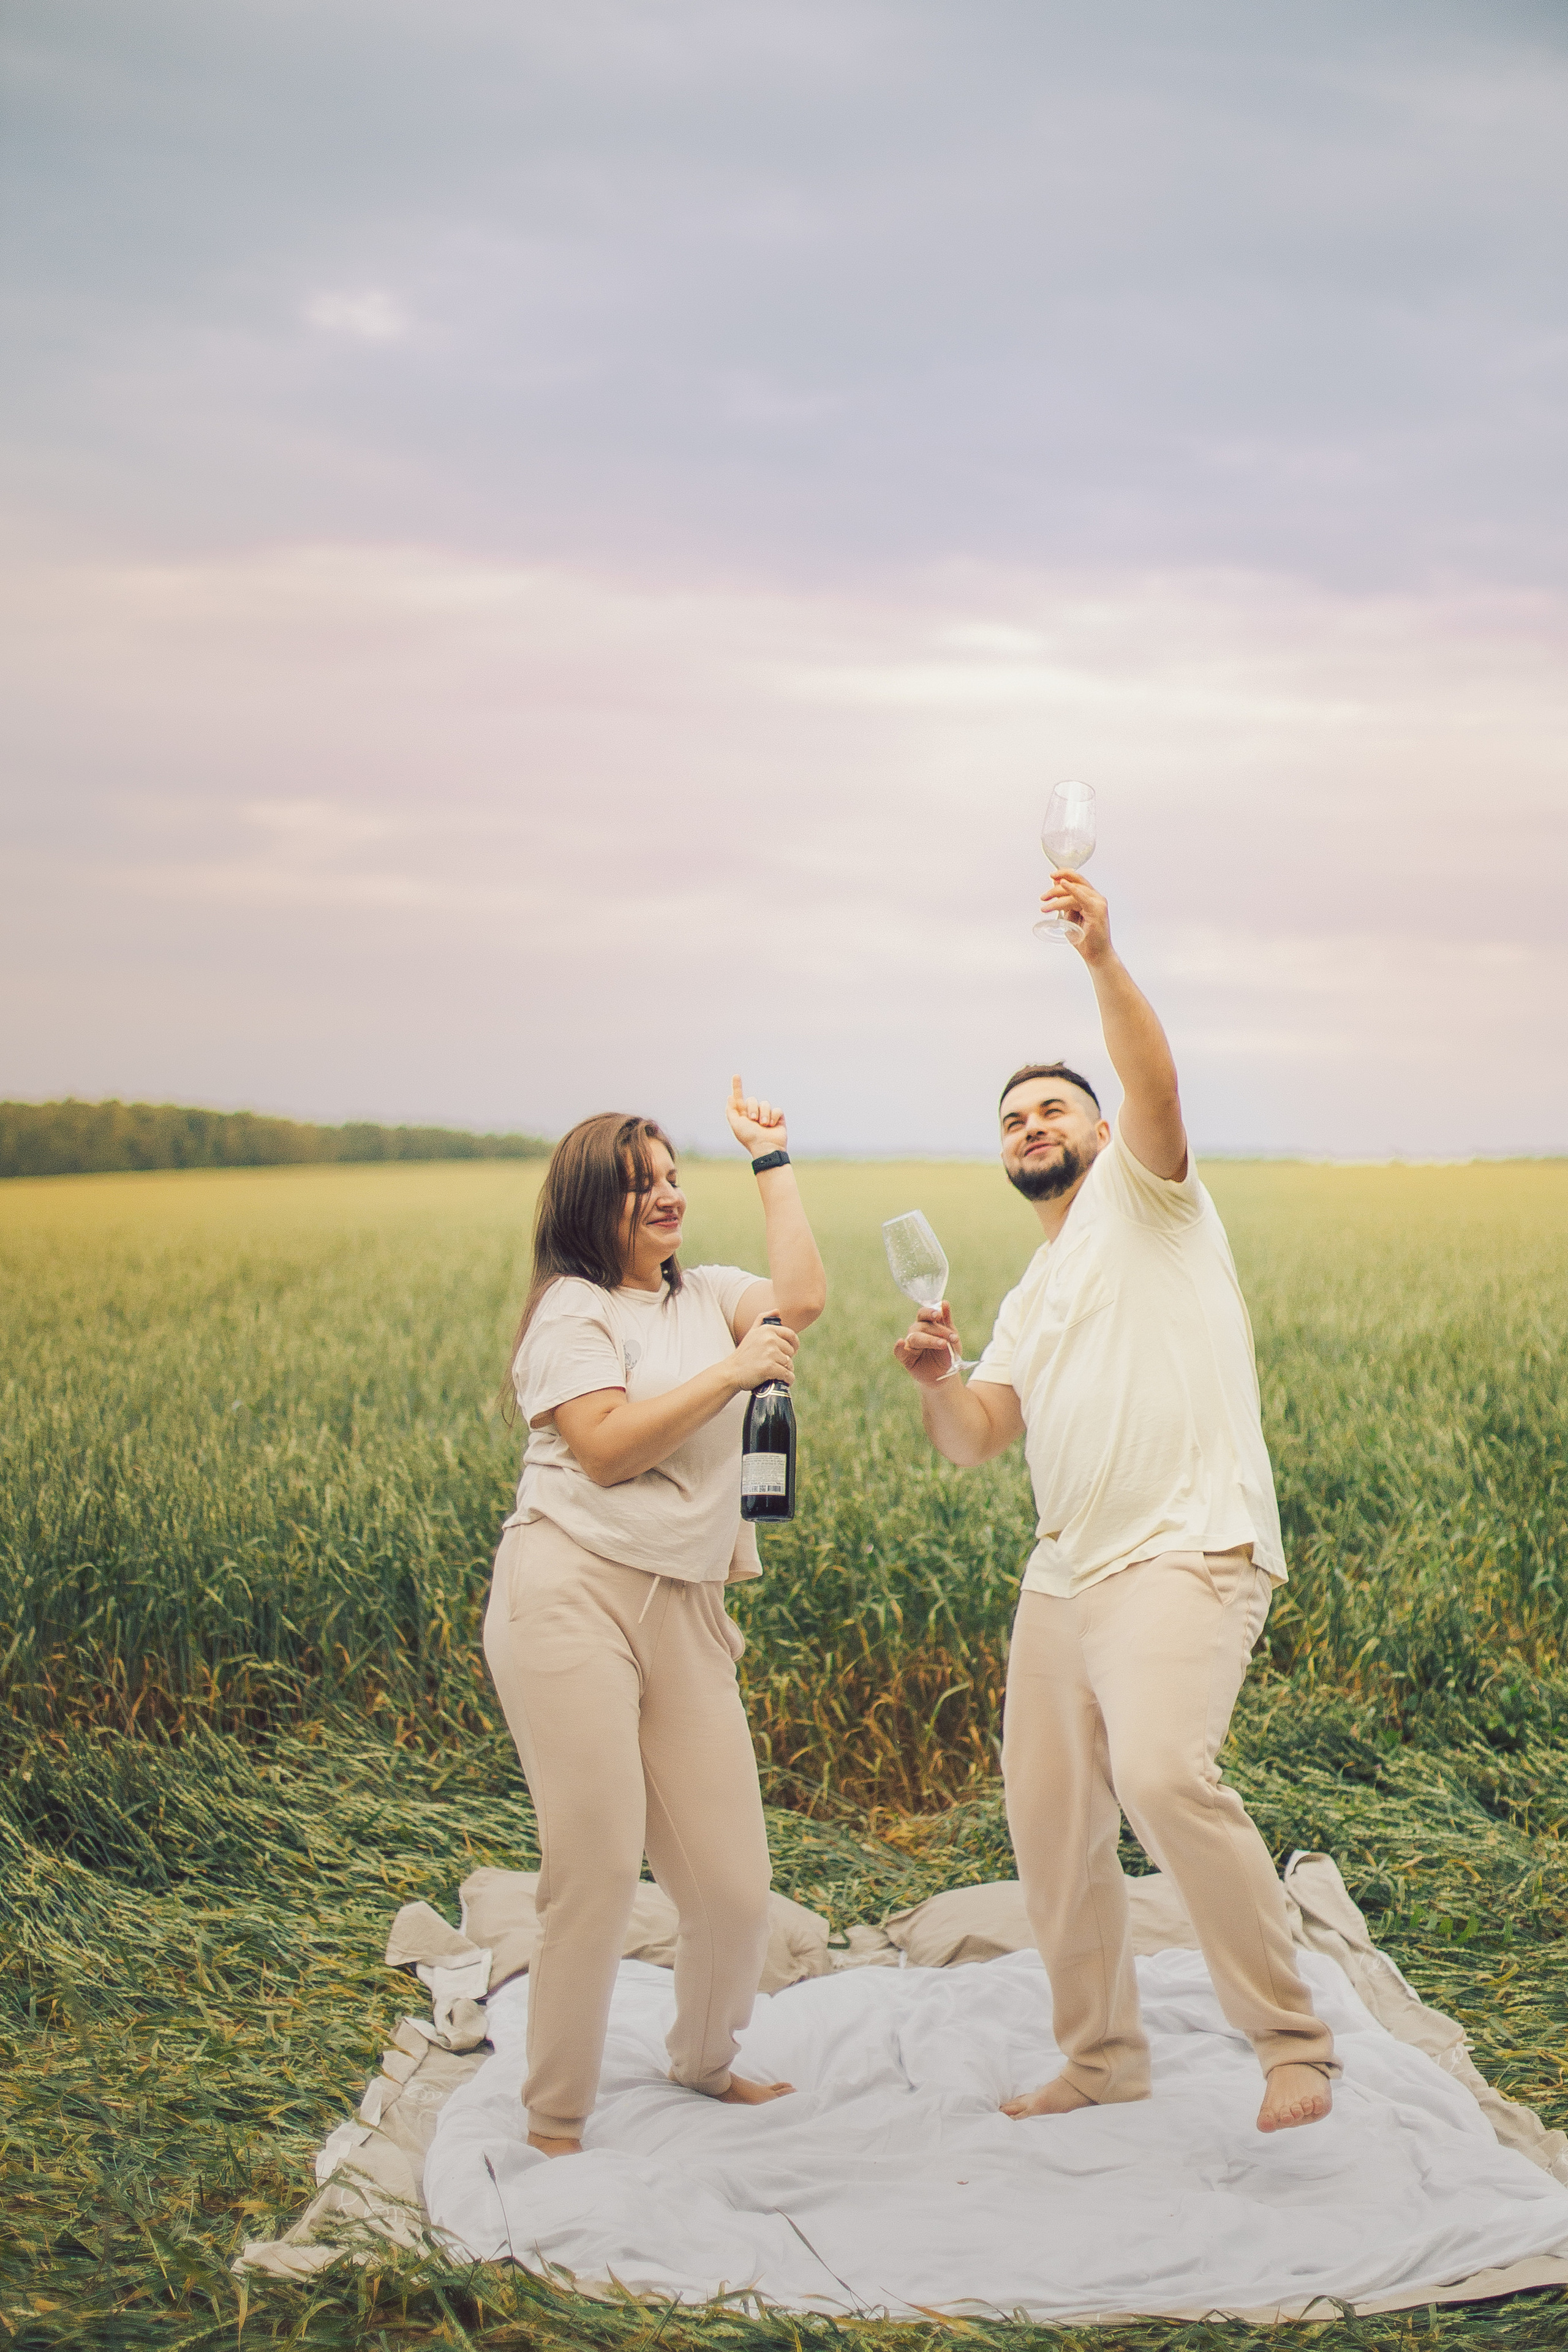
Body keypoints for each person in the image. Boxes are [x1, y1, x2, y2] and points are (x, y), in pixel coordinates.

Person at [894, 869, 1338, 2135]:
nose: (1028, 1125)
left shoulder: (1148, 1200)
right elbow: (976, 1437)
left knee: (1159, 1771)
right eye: (1010, 1119)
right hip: (1063, 1573)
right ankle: (1099, 2057)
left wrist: (1098, 961)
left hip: (1183, 1548)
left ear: (1097, 1131)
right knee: (1048, 1822)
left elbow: (1156, 1087)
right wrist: (935, 1378)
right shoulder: (1028, 1295)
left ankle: (1289, 2040)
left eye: (1051, 1108)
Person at [485, 1077, 827, 2157]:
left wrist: (770, 1160)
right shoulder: (572, 1313)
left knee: (733, 1889)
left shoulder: (707, 1294)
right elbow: (605, 1445)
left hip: (683, 1606)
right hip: (567, 1593)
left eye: (675, 1178)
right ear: (595, 1206)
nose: (667, 1197)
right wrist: (733, 1376)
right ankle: (555, 2121)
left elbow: (803, 1300)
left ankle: (703, 2061)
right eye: (642, 1186)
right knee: (591, 1870)